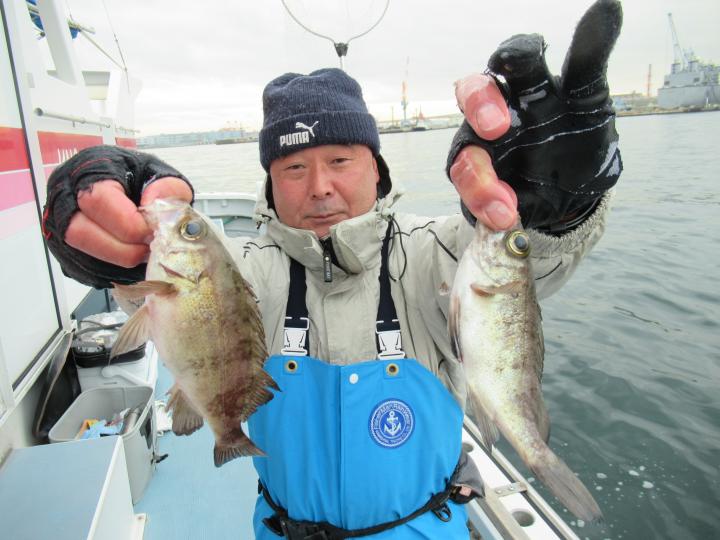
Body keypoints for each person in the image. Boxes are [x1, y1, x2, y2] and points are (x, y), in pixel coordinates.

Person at [42, 1, 623, 537]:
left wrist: (556, 214)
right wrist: (97, 231)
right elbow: (151, 280)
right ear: (271, 182)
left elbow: (526, 270)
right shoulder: (240, 271)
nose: (319, 187)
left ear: (376, 167)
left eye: (340, 160)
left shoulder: (437, 252)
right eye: (293, 168)